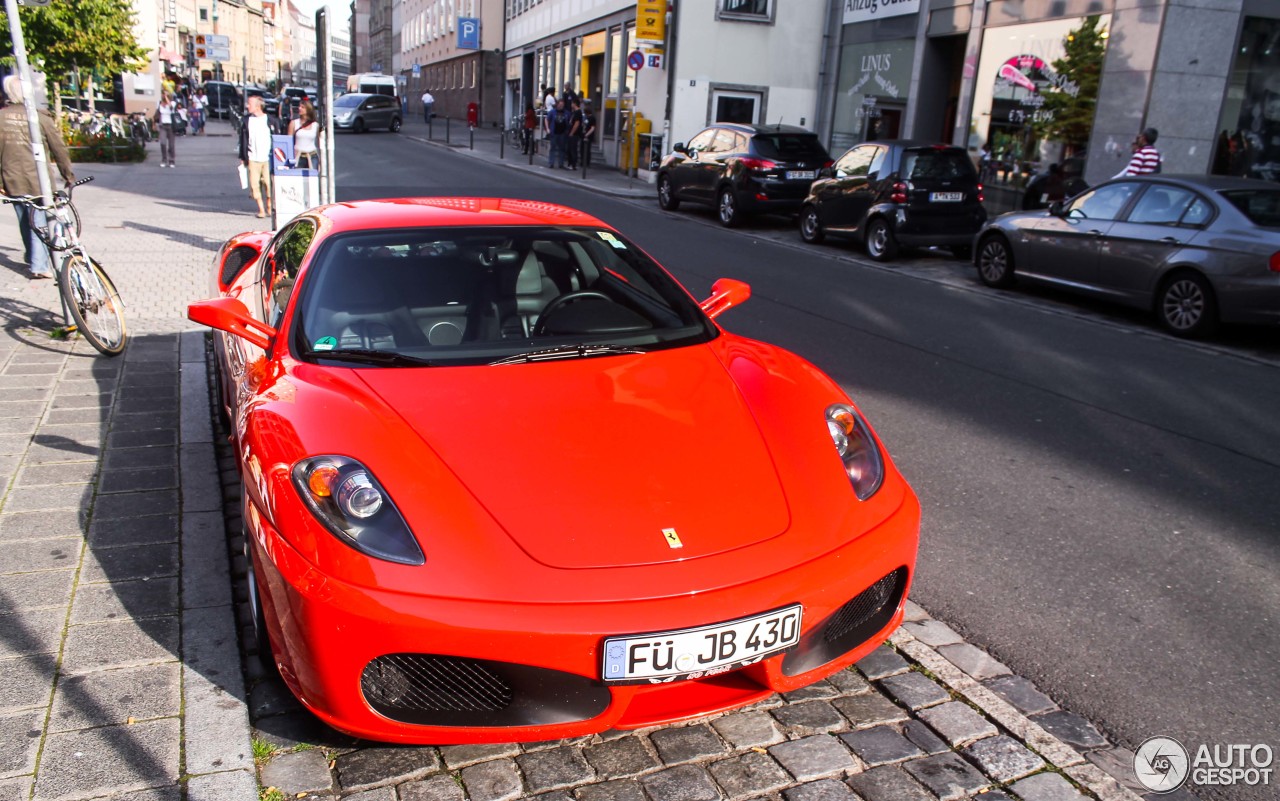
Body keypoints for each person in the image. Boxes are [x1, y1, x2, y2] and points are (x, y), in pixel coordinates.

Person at [0, 75, 74, 280]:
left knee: (25, 219)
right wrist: (67, 174)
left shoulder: (1, 117)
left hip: (11, 179)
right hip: (38, 180)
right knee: (38, 220)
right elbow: (58, 148)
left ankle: (32, 255)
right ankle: (39, 265)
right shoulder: (39, 117)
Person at [239, 95, 274, 218]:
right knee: (254, 185)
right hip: (252, 157)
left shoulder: (269, 120)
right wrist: (242, 157)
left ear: (258, 106)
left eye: (249, 104)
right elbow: (242, 139)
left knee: (268, 184)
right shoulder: (246, 120)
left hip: (267, 157)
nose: (247, 106)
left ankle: (269, 206)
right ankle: (261, 209)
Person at [289, 100, 320, 171]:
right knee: (298, 179)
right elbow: (289, 141)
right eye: (299, 106)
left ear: (308, 110)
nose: (299, 108)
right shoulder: (293, 123)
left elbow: (319, 141)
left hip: (312, 155)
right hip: (298, 156)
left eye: (302, 107)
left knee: (313, 179)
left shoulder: (315, 125)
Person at [155, 91, 177, 167]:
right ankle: (164, 159)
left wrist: (167, 98)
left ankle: (172, 160)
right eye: (163, 94)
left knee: (171, 145)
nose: (164, 95)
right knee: (163, 143)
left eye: (166, 94)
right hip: (162, 125)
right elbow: (157, 113)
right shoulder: (159, 103)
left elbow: (171, 107)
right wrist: (155, 124)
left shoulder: (173, 103)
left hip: (171, 126)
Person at [546, 98, 569, 169]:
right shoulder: (553, 112)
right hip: (554, 132)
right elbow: (546, 119)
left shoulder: (566, 113)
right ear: (557, 104)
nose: (561, 106)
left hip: (563, 133)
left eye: (562, 105)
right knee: (553, 148)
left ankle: (561, 164)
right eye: (560, 105)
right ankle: (551, 163)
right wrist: (547, 129)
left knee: (562, 149)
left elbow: (569, 121)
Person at [566, 98, 583, 170]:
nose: (571, 105)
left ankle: (573, 165)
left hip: (574, 134)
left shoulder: (578, 112)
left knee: (573, 149)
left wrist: (572, 132)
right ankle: (570, 163)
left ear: (575, 104)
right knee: (570, 149)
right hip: (571, 133)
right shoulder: (574, 112)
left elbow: (577, 123)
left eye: (572, 103)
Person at [580, 100, 597, 169]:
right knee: (582, 149)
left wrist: (587, 134)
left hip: (588, 136)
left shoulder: (592, 118)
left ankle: (586, 162)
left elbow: (592, 128)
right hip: (583, 135)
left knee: (587, 150)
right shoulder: (586, 118)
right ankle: (582, 161)